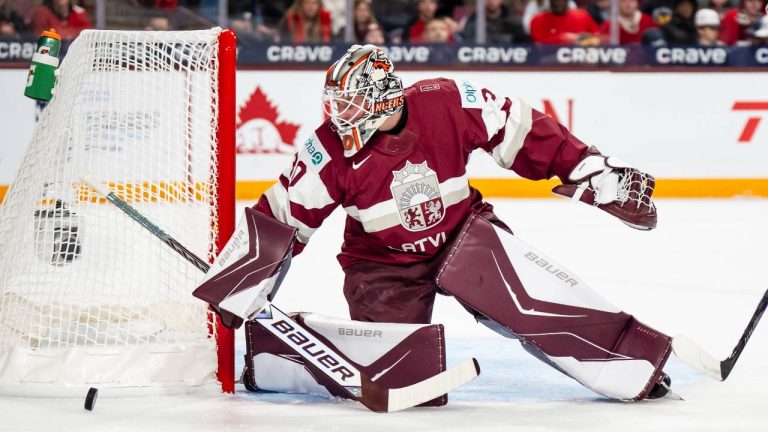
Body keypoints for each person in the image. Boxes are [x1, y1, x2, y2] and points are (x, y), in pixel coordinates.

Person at [247, 44, 672, 401]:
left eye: (352, 105)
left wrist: (586, 167)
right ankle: (277, 356)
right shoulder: (326, 150)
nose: (341, 116)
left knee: (532, 301)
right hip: (382, 265)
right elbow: (285, 213)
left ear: (384, 99)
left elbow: (518, 127)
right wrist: (248, 274)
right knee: (401, 379)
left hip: (462, 234)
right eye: (338, 105)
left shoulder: (445, 100)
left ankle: (625, 362)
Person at [529, 0, 600, 44]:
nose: (557, 2)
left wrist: (588, 39)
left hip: (578, 61)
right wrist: (565, 38)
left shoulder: (583, 16)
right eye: (554, 0)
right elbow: (538, 46)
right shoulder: (538, 20)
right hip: (548, 63)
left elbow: (597, 37)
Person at [460, 0, 530, 44]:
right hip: (480, 65)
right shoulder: (472, 22)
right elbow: (466, 47)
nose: (492, 1)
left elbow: (523, 49)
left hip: (508, 66)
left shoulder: (514, 22)